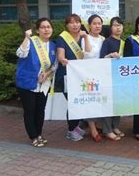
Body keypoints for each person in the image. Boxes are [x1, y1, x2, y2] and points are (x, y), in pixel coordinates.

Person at [16, 18, 57, 147]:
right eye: (43, 27)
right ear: (38, 30)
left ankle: (39, 134)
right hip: (27, 82)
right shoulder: (31, 41)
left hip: (43, 83)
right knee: (30, 110)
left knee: (40, 110)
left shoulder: (53, 46)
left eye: (48, 27)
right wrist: (26, 38)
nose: (46, 29)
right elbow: (20, 54)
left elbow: (54, 65)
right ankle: (33, 136)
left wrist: (47, 73)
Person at [55, 13, 91, 142]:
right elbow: (60, 55)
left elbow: (88, 54)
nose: (75, 25)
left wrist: (86, 37)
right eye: (71, 22)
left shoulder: (83, 37)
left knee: (79, 101)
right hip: (65, 76)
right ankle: (71, 130)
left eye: (77, 22)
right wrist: (62, 60)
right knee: (72, 103)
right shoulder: (62, 38)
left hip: (80, 77)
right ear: (67, 25)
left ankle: (75, 126)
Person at [81, 14, 109, 143]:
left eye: (100, 23)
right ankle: (92, 129)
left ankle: (97, 123)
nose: (98, 26)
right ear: (89, 26)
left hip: (101, 74)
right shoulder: (85, 38)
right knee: (90, 101)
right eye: (94, 23)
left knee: (99, 100)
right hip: (89, 75)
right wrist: (86, 37)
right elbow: (87, 55)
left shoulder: (103, 39)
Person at [99, 17, 127, 141]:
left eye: (120, 25)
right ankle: (107, 130)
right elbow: (101, 59)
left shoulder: (124, 43)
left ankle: (115, 126)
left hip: (120, 78)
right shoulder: (107, 42)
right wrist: (110, 55)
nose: (118, 27)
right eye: (115, 25)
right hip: (108, 78)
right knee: (108, 104)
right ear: (111, 27)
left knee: (119, 103)